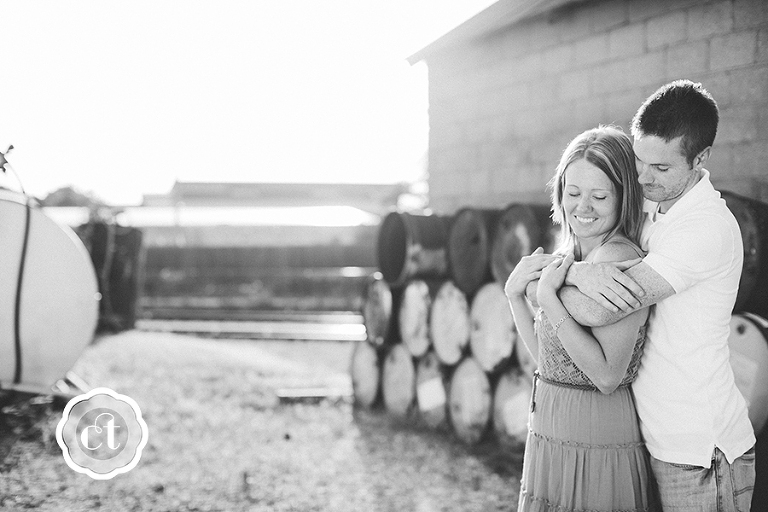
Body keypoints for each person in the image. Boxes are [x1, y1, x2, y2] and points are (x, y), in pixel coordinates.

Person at [552, 80, 756, 510]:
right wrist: (579, 272)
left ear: (700, 159)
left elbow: (597, 307)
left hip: (701, 450)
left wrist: (555, 281)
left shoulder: (704, 228)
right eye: (639, 162)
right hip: (653, 436)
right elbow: (581, 246)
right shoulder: (651, 204)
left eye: (660, 169)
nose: (643, 179)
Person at [505, 125, 657, 511]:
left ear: (624, 197)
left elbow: (607, 376)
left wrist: (548, 302)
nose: (582, 207)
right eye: (573, 193)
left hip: (594, 432)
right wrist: (514, 298)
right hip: (551, 425)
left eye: (599, 196)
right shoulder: (570, 254)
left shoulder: (617, 258)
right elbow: (548, 361)